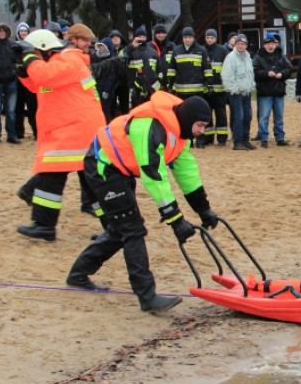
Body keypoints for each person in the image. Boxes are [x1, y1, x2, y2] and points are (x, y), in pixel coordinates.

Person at [65, 92, 219, 312]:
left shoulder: (180, 134)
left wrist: (204, 209)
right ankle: (147, 297)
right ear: (188, 119)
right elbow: (154, 176)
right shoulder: (151, 127)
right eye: (200, 125)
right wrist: (175, 219)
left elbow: (186, 172)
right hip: (103, 166)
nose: (201, 131)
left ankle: (78, 274)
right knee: (132, 229)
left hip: (122, 168)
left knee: (121, 229)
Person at [15, 25, 108, 241]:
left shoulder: (66, 60)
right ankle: (114, 228)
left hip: (75, 131)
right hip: (74, 130)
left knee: (58, 177)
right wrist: (23, 71)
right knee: (88, 182)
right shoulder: (61, 62)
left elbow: (45, 76)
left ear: (44, 50)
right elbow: (39, 85)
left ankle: (44, 225)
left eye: (35, 53)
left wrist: (29, 59)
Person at [171, 27, 212, 146]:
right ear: (182, 38)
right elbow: (172, 69)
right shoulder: (177, 51)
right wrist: (169, 83)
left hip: (197, 90)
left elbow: (207, 68)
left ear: (193, 38)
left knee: (198, 117)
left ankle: (200, 140)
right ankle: (187, 141)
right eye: (185, 37)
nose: (187, 39)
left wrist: (209, 83)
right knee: (184, 117)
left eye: (189, 37)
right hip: (181, 90)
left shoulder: (201, 50)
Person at [253, 32, 292, 147]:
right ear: (264, 45)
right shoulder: (258, 57)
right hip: (265, 92)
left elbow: (289, 69)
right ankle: (264, 138)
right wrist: (266, 73)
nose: (271, 46)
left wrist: (282, 74)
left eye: (273, 44)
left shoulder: (281, 56)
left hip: (278, 90)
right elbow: (254, 71)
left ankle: (280, 138)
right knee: (264, 116)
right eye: (268, 44)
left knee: (279, 116)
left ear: (276, 45)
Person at [0, 22, 21, 144]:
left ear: (6, 32)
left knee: (11, 110)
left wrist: (15, 71)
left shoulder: (13, 45)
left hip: (11, 81)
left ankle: (12, 135)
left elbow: (19, 60)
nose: (2, 33)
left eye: (4, 31)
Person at [221, 33, 256, 151]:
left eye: (243, 44)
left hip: (246, 91)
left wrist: (251, 86)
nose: (241, 46)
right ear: (235, 45)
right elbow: (227, 75)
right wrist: (234, 89)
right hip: (236, 92)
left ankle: (246, 140)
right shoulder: (230, 58)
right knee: (239, 117)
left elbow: (250, 73)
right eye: (239, 44)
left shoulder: (248, 57)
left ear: (246, 46)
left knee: (248, 116)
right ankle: (238, 141)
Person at [203, 28, 230, 147]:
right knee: (206, 116)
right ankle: (208, 139)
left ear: (216, 38)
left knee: (221, 115)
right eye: (208, 38)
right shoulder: (201, 51)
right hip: (206, 90)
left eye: (212, 38)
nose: (209, 40)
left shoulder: (222, 50)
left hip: (220, 89)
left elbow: (227, 68)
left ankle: (222, 139)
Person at [126, 26, 164, 108]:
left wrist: (156, 86)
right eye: (139, 37)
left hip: (152, 90)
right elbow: (123, 65)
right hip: (136, 91)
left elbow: (159, 71)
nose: (142, 39)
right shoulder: (130, 51)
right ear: (135, 38)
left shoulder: (153, 52)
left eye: (143, 37)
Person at [13, 22, 38, 140]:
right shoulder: (13, 45)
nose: (23, 33)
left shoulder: (33, 46)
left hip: (31, 78)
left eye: (25, 31)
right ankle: (19, 132)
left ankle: (36, 131)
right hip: (18, 79)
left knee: (33, 107)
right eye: (21, 31)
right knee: (18, 107)